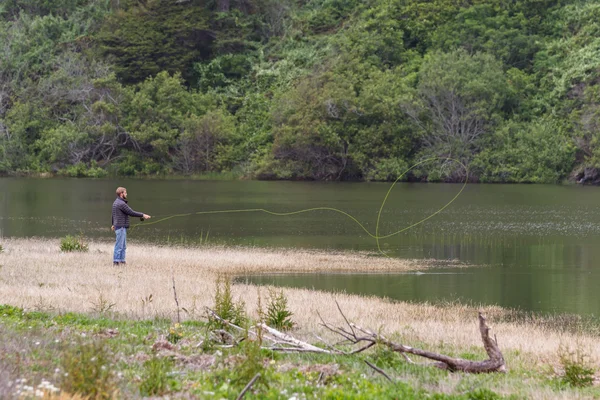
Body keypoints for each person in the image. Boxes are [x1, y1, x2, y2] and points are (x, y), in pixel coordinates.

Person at [111, 187, 151, 266]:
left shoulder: (116, 202)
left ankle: (122, 261)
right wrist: (143, 215)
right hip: (121, 227)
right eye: (125, 193)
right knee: (119, 245)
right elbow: (131, 212)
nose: (126, 194)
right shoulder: (121, 203)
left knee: (123, 246)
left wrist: (113, 224)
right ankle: (116, 262)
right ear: (121, 194)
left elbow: (113, 215)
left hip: (119, 226)